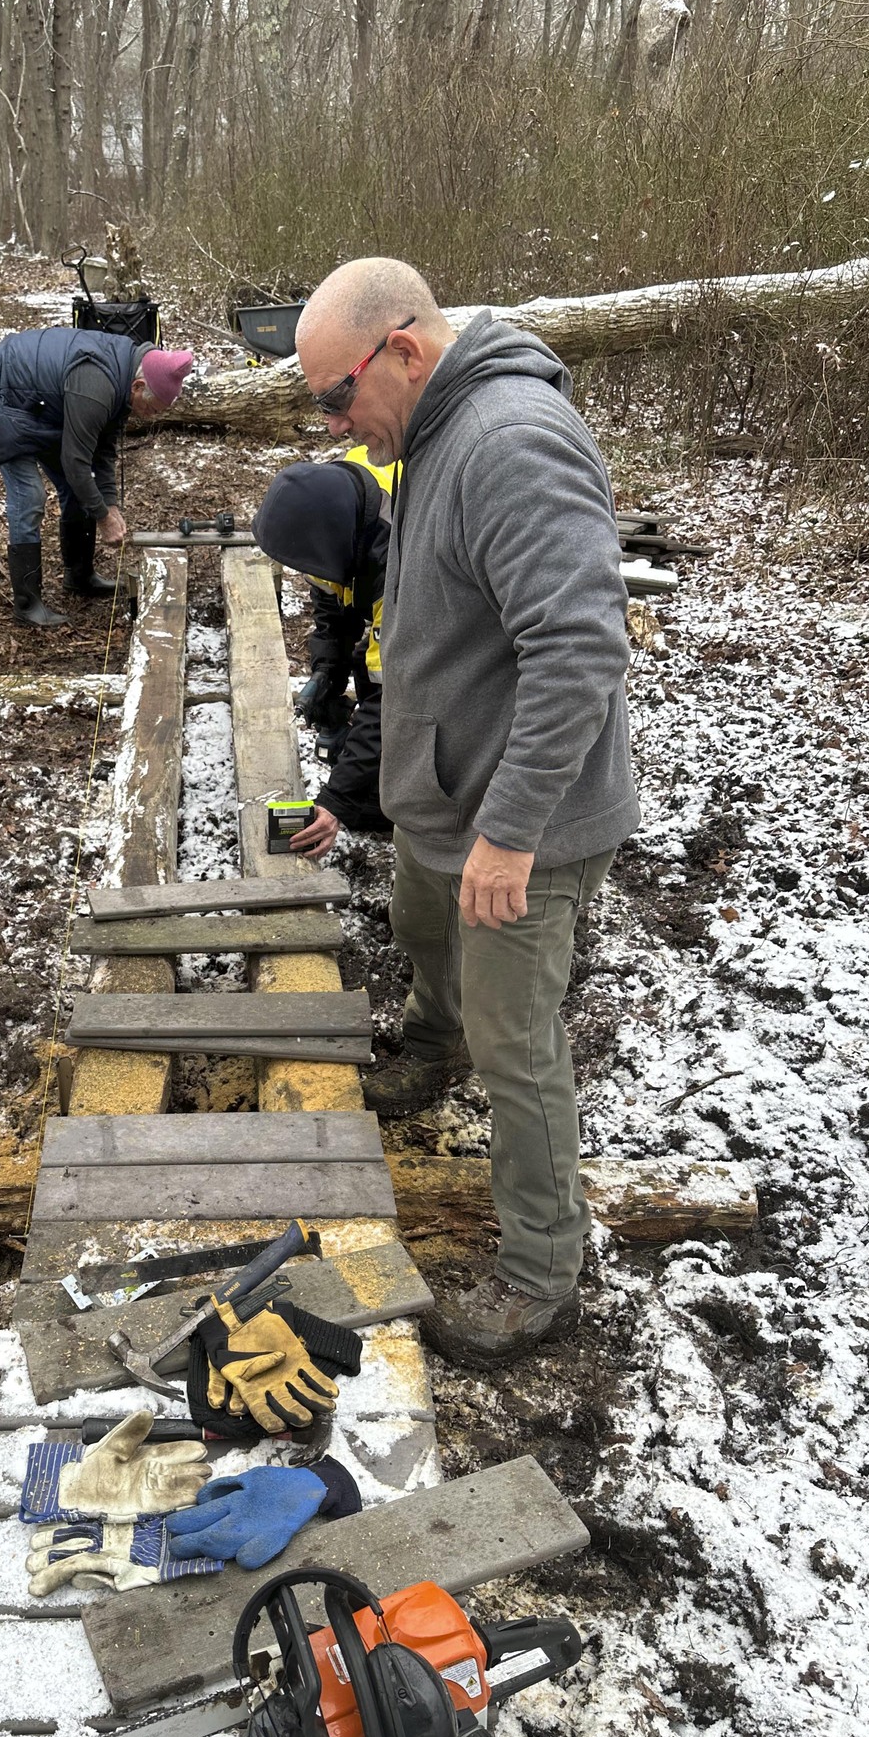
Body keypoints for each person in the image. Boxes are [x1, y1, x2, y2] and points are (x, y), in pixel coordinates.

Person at [295, 258, 640, 1368]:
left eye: (334, 395)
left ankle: (544, 1271)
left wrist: (511, 830)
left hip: (517, 822)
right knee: (423, 928)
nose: (334, 421)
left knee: (519, 1043)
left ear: (403, 347)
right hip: (450, 800)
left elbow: (580, 647)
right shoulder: (431, 430)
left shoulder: (507, 442)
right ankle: (429, 1050)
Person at [0, 329, 193, 626]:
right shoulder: (96, 386)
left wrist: (109, 504)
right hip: (1, 397)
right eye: (152, 409)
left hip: (42, 407)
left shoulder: (123, 379)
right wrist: (102, 518)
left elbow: (102, 451)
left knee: (80, 491)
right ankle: (27, 605)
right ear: (139, 387)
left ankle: (79, 576)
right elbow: (75, 462)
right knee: (30, 497)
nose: (150, 417)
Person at [251, 449, 392, 856]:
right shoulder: (337, 511)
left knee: (385, 679)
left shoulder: (402, 560)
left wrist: (338, 801)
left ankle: (393, 796)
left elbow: (394, 696)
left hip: (486, 630)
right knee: (364, 668)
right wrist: (328, 671)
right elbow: (332, 599)